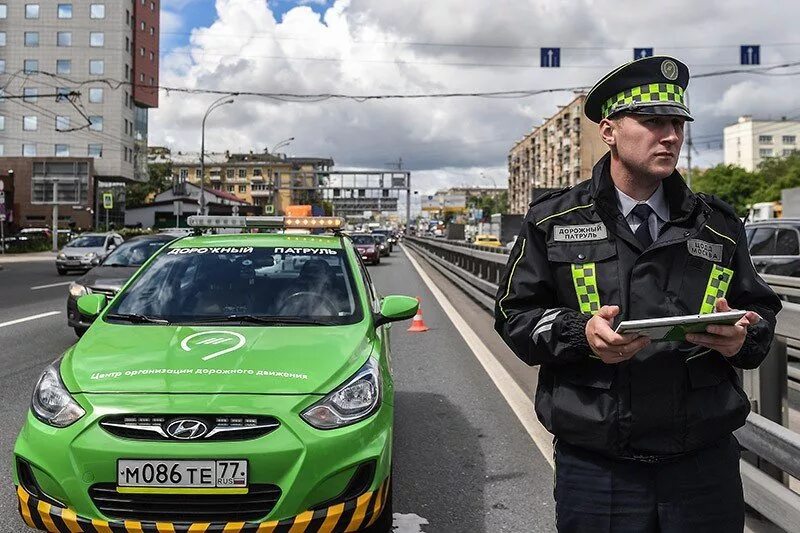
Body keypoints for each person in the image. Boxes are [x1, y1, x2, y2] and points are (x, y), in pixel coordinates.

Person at [494, 56, 782, 532]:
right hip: (599, 469)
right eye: (652, 122)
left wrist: (743, 337)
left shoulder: (718, 224)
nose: (670, 136)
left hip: (703, 467)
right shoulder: (554, 220)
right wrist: (581, 333)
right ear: (609, 131)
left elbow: (761, 311)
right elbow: (515, 315)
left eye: (677, 124)